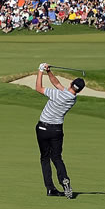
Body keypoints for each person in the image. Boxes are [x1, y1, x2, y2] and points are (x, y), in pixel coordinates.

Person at [34, 63, 85, 199]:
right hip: (56, 130)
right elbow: (57, 84)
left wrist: (40, 71)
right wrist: (49, 72)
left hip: (43, 128)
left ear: (71, 83)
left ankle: (50, 189)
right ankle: (64, 181)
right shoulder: (72, 98)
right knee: (56, 158)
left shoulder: (57, 94)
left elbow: (38, 88)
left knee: (45, 158)